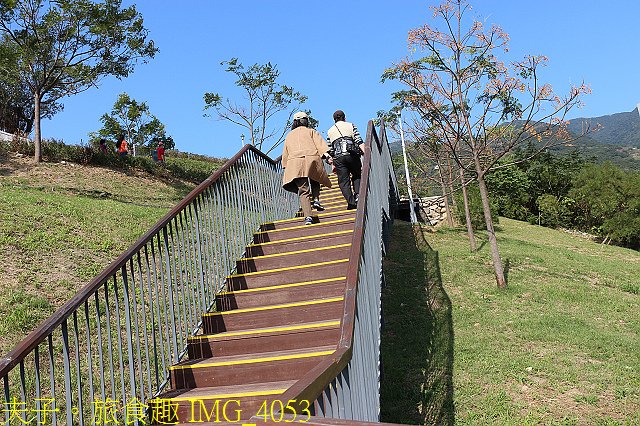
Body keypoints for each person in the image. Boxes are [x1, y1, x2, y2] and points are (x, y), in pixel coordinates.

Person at [282, 111, 333, 225]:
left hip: (295, 163)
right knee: (315, 178)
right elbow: (321, 146)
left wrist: (286, 166)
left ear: (295, 122)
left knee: (303, 190)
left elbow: (285, 154)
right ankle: (316, 199)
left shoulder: (289, 135)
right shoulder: (311, 131)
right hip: (312, 159)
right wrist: (328, 157)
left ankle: (308, 217)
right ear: (306, 121)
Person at [326, 110, 365, 210]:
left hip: (338, 157)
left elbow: (330, 149)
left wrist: (332, 162)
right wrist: (367, 153)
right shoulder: (350, 125)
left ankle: (351, 202)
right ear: (344, 117)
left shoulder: (330, 131)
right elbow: (358, 140)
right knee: (356, 175)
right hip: (351, 154)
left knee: (343, 181)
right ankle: (357, 195)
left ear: (334, 120)